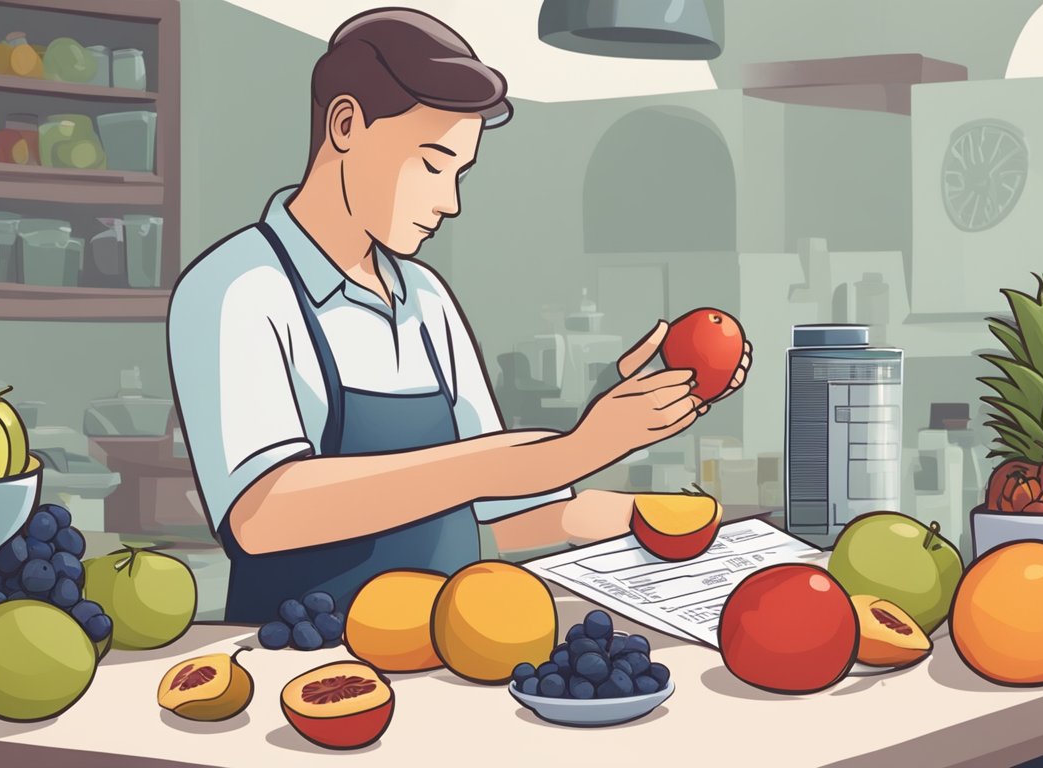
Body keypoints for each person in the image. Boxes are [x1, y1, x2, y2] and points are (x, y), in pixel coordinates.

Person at [167, 8, 751, 623]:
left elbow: (515, 514)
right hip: (305, 660)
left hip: (453, 652)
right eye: (430, 164)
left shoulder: (426, 297)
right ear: (346, 124)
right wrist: (569, 449)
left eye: (459, 172)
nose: (449, 202)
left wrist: (650, 513)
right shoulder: (238, 287)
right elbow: (263, 515)